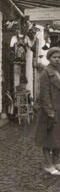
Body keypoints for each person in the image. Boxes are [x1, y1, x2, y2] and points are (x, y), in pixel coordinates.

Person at [35, 47, 60, 175]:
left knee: (57, 138)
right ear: (49, 58)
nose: (57, 59)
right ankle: (48, 164)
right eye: (54, 57)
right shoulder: (46, 73)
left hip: (59, 110)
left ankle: (57, 162)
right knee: (47, 138)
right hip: (48, 111)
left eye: (59, 57)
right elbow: (44, 94)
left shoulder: (58, 71)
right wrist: (50, 112)